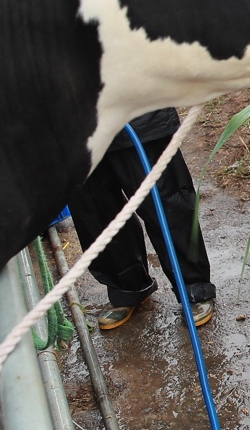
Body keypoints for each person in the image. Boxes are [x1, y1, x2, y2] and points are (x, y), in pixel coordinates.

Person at [69, 109, 216, 330]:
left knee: (164, 203)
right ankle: (127, 288)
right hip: (72, 127)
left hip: (137, 114)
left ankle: (194, 288)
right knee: (96, 211)